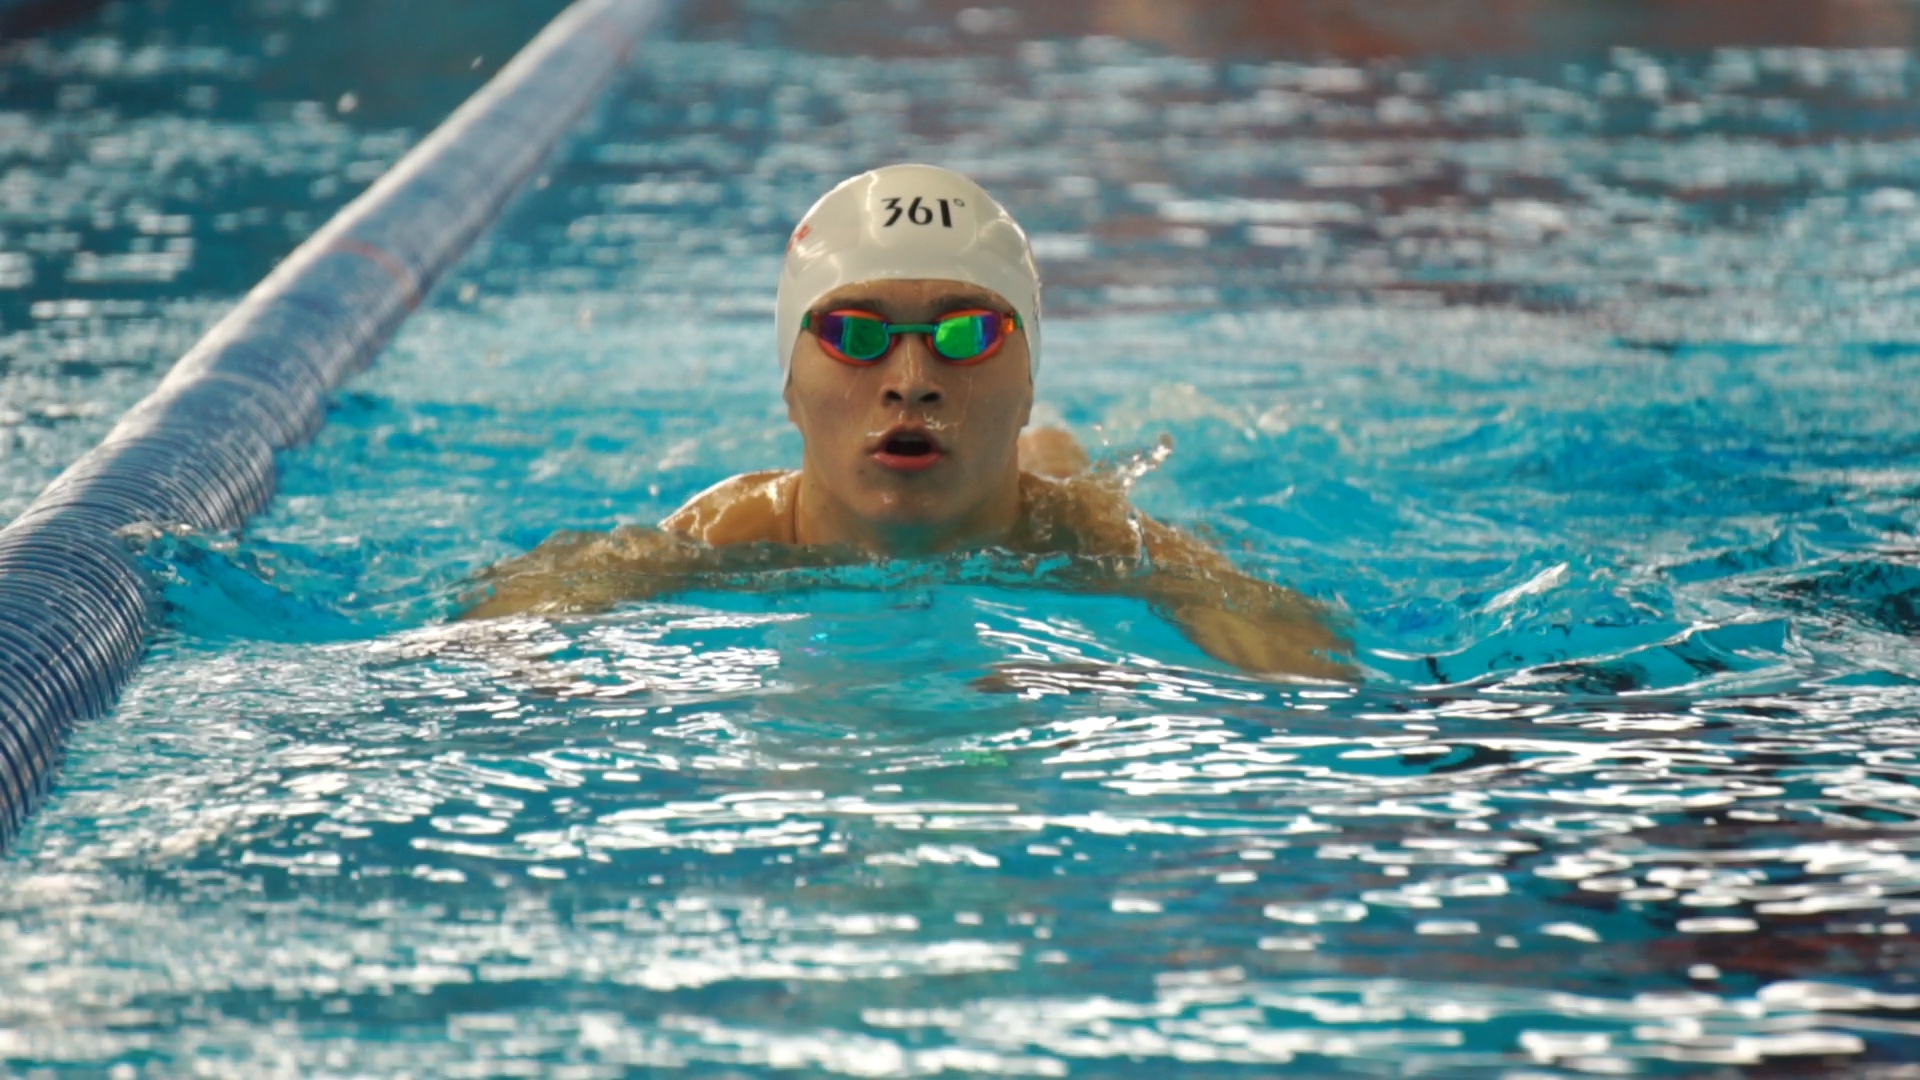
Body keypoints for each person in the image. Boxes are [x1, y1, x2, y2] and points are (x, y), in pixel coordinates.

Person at [462, 164, 1352, 680]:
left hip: (1046, 491)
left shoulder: (1094, 538)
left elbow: (1322, 678)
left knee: (1069, 473)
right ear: (788, 382)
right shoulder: (731, 531)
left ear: (1029, 374)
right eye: (855, 334)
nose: (912, 382)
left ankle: (1051, 445)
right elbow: (487, 642)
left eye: (970, 334)